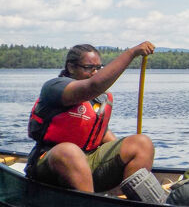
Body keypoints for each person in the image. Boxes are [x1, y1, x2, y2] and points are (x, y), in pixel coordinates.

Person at [26, 41, 156, 192]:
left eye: (99, 68)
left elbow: (101, 134)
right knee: (70, 151)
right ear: (71, 67)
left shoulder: (98, 99)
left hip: (88, 161)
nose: (95, 72)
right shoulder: (55, 87)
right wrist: (131, 53)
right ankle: (91, 206)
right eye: (89, 68)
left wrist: (124, 156)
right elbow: (93, 86)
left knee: (141, 143)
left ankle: (136, 203)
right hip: (50, 163)